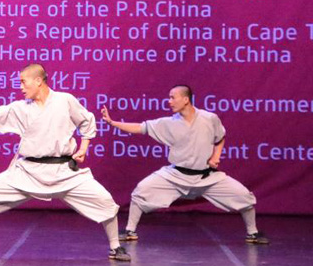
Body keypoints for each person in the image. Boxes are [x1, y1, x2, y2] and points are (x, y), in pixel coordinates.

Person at [0, 64, 130, 262]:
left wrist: (83, 149)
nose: (21, 87)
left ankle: (115, 247)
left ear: (38, 81)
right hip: (28, 172)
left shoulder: (64, 100)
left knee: (105, 201)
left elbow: (87, 121)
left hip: (63, 172)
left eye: (24, 82)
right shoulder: (21, 108)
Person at [101, 85, 268, 245]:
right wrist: (113, 123)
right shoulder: (168, 123)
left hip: (206, 177)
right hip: (176, 176)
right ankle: (130, 231)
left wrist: (216, 156)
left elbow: (220, 138)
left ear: (186, 99)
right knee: (141, 191)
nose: (169, 101)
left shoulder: (209, 118)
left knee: (244, 197)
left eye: (173, 97)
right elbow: (140, 127)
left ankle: (252, 233)